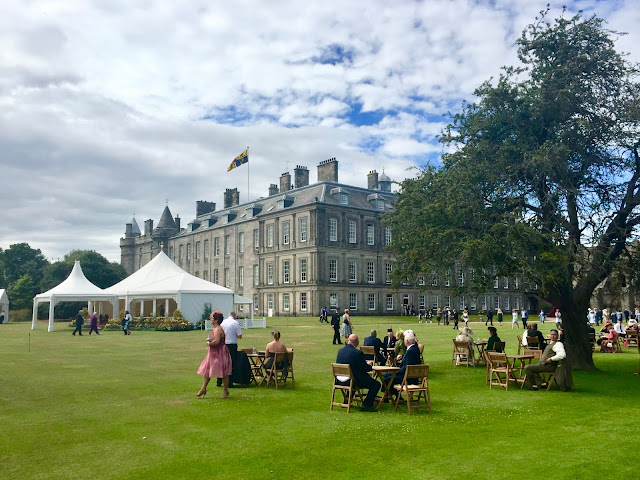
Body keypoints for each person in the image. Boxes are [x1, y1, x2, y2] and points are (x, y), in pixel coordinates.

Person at [336, 334, 381, 412]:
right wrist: (369, 365)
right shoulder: (358, 353)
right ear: (357, 342)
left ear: (348, 340)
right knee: (376, 384)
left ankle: (347, 400)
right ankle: (366, 405)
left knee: (354, 377)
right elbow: (365, 368)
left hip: (340, 380)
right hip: (353, 381)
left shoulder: (340, 351)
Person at [196, 311, 233, 399]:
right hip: (214, 353)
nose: (210, 320)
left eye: (212, 318)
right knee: (207, 370)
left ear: (216, 320)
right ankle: (203, 389)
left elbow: (216, 341)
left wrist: (209, 343)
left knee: (223, 372)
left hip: (219, 353)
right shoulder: (216, 329)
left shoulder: (218, 329)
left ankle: (225, 391)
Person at [218, 311, 242, 388]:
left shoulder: (223, 323)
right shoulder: (235, 323)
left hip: (223, 344)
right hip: (232, 344)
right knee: (231, 363)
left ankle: (219, 380)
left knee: (222, 362)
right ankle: (230, 382)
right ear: (234, 316)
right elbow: (239, 336)